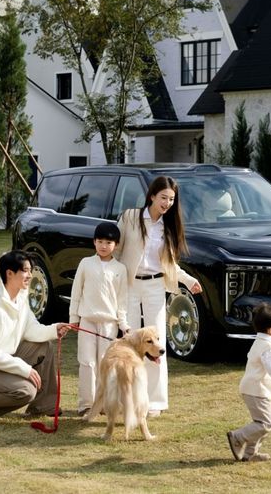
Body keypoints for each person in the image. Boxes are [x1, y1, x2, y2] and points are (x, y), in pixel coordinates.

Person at [115, 175, 202, 415]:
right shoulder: (130, 217)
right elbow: (117, 252)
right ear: (152, 196)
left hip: (155, 286)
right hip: (130, 285)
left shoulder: (169, 227)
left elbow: (170, 265)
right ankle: (128, 400)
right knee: (131, 342)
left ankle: (155, 402)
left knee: (157, 344)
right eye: (163, 197)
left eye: (171, 199)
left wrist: (189, 281)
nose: (167, 203)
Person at [0, 250, 70, 428]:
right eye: (25, 271)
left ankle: (42, 405)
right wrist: (24, 369)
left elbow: (31, 329)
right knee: (25, 390)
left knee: (44, 347)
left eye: (30, 270)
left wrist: (54, 329)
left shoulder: (20, 297)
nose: (30, 275)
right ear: (9, 273)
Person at [69, 221, 129, 416]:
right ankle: (86, 405)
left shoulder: (120, 269)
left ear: (116, 245)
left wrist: (123, 324)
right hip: (87, 321)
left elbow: (122, 300)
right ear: (94, 242)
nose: (104, 246)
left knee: (106, 364)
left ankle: (104, 404)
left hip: (109, 324)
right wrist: (73, 318)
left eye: (108, 242)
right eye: (100, 241)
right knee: (87, 362)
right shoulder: (86, 263)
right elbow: (76, 291)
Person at [226, 302, 271, 462]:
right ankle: (237, 437)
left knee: (260, 423)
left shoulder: (260, 341)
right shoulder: (268, 346)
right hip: (256, 390)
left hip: (254, 389)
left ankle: (250, 454)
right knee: (266, 423)